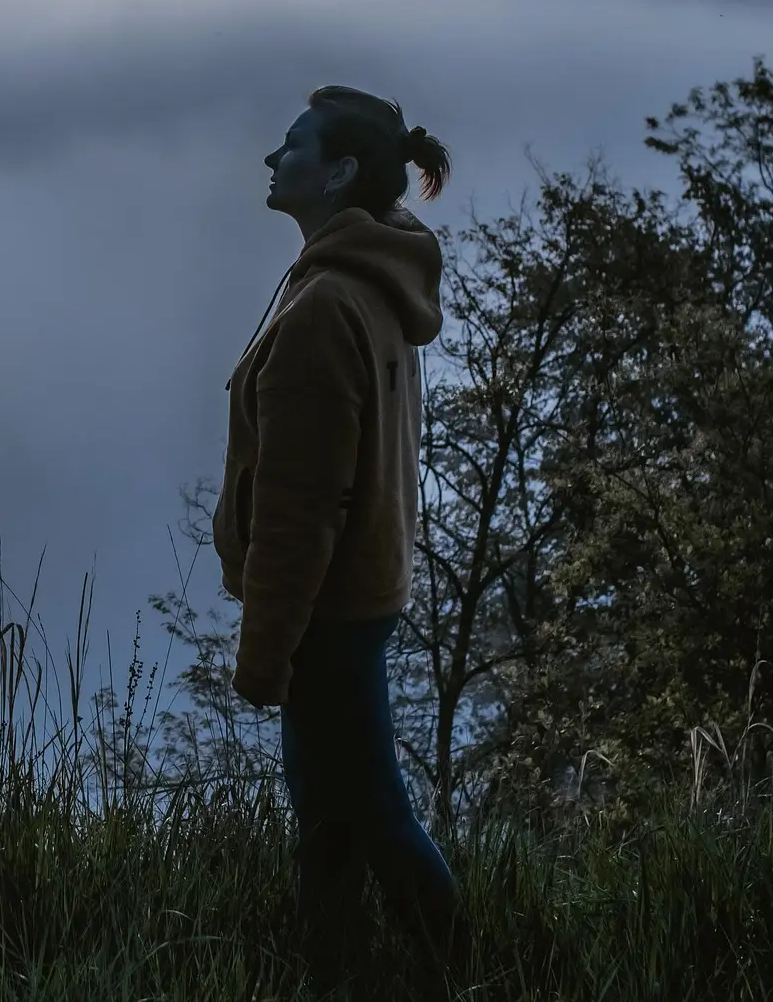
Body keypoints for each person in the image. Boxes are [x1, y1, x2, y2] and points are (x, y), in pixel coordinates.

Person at [211, 85, 462, 994]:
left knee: (371, 812)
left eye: (292, 146)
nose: (272, 160)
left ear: (339, 172)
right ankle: (331, 971)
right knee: (329, 817)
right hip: (364, 590)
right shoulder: (367, 279)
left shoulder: (325, 305)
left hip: (328, 607)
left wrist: (265, 652)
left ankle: (449, 969)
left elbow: (300, 506)